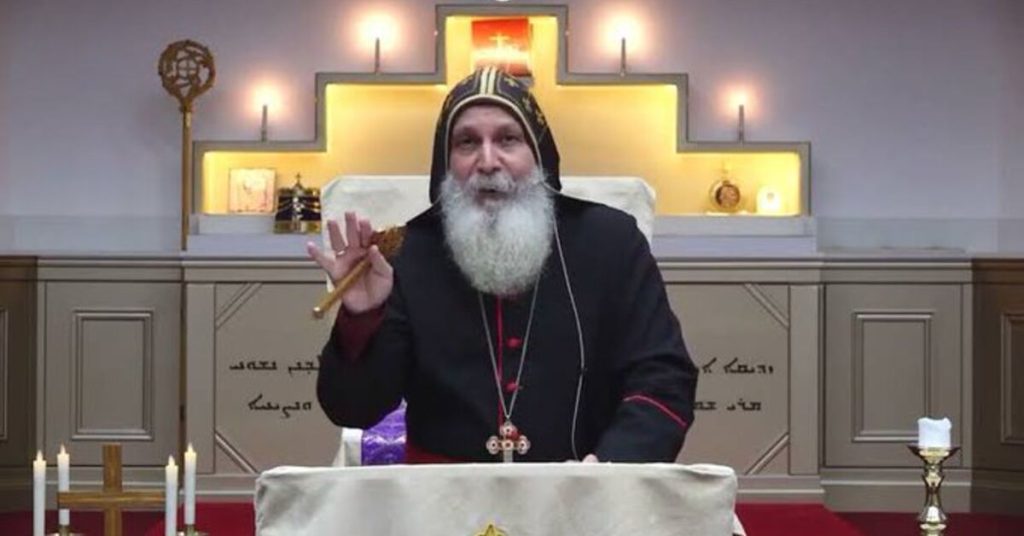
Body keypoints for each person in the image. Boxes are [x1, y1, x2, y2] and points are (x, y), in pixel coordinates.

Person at [309, 66, 697, 463]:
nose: (488, 161)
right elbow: (353, 410)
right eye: (467, 142)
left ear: (538, 153)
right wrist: (361, 318)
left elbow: (663, 381)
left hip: (583, 488)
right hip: (445, 495)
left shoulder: (610, 243)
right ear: (446, 162)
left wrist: (612, 464)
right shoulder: (408, 254)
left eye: (507, 139)